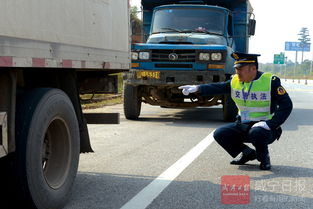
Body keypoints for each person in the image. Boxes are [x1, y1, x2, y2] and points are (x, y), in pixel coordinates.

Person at [178, 52, 293, 170]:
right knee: (220, 133)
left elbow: (287, 105)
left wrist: (270, 124)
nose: (237, 72)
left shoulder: (270, 82)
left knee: (257, 132)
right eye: (236, 69)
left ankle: (264, 158)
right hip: (243, 125)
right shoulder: (235, 81)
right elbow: (219, 87)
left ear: (253, 69)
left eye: (241, 69)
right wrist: (197, 88)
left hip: (265, 128)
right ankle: (247, 153)